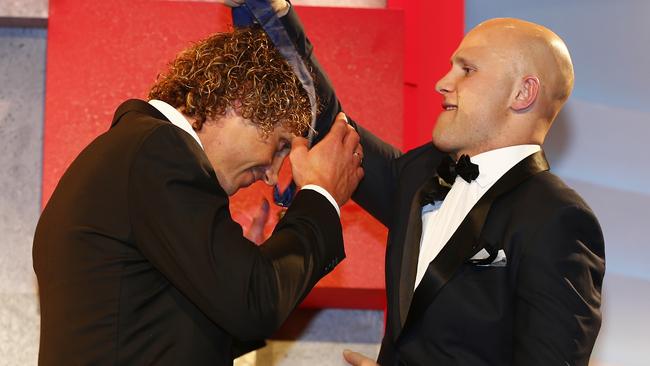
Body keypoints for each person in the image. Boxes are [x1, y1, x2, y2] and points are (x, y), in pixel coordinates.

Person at [269, 4, 605, 365]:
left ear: (522, 93)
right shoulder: (419, 173)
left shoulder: (558, 219)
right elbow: (325, 118)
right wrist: (271, 12)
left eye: (467, 70)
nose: (442, 82)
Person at [32, 10, 364, 365]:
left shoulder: (132, 154)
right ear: (242, 98)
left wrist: (236, 266)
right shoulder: (159, 152)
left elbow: (176, 334)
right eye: (282, 145)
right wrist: (320, 195)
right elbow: (256, 304)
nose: (271, 176)